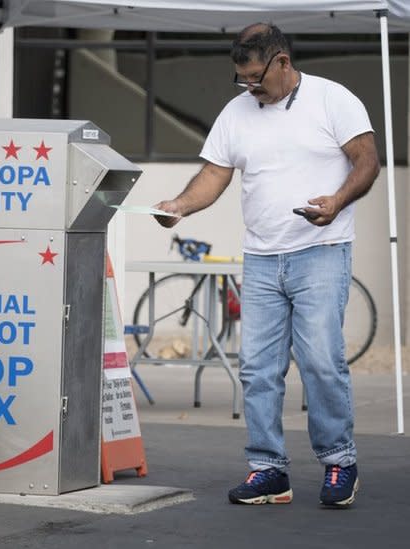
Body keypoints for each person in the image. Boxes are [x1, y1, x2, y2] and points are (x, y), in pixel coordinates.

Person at [154, 22, 380, 507]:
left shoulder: (332, 99)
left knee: (321, 361)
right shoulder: (237, 112)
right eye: (241, 78)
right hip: (260, 259)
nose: (248, 87)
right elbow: (215, 172)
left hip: (320, 251)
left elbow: (367, 160)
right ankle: (268, 470)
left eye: (256, 77)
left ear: (282, 62)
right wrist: (179, 205)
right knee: (257, 370)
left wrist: (337, 201)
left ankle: (340, 461)